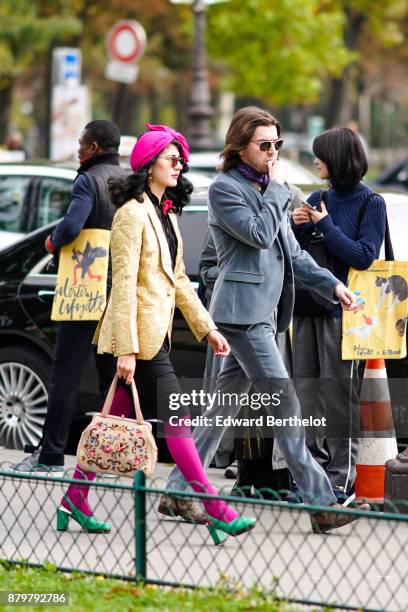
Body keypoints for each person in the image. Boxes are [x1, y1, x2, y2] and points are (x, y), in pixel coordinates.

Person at [163, 106, 370, 533]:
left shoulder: (266, 189)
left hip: (262, 312)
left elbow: (291, 254)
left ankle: (178, 489)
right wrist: (277, 191)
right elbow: (257, 235)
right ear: (240, 147)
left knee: (221, 408)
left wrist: (332, 285)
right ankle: (322, 503)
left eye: (277, 143)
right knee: (287, 405)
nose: (273, 152)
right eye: (265, 145)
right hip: (242, 314)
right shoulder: (225, 189)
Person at [57, 123, 256, 542]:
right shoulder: (131, 213)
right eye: (172, 158)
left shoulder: (164, 212)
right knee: (178, 421)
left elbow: (179, 279)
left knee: (114, 420)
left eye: (181, 159)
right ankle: (216, 509)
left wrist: (207, 329)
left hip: (153, 335)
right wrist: (127, 350)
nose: (179, 164)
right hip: (134, 341)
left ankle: (74, 497)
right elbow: (123, 283)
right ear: (149, 165)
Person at [11, 120, 126, 475]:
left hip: (83, 290)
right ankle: (109, 456)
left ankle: (49, 456)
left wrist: (52, 241)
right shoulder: (126, 181)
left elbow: (72, 226)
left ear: (93, 146)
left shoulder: (87, 180)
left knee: (65, 374)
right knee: (111, 376)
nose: (77, 150)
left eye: (81, 143)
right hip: (115, 290)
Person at [291, 127, 386, 501]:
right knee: (307, 393)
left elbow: (363, 255)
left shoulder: (370, 202)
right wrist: (298, 228)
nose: (315, 162)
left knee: (338, 396)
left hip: (345, 314)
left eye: (320, 156)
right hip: (307, 308)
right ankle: (310, 479)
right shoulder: (317, 197)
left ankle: (339, 481)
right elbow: (298, 256)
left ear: (337, 158)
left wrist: (324, 224)